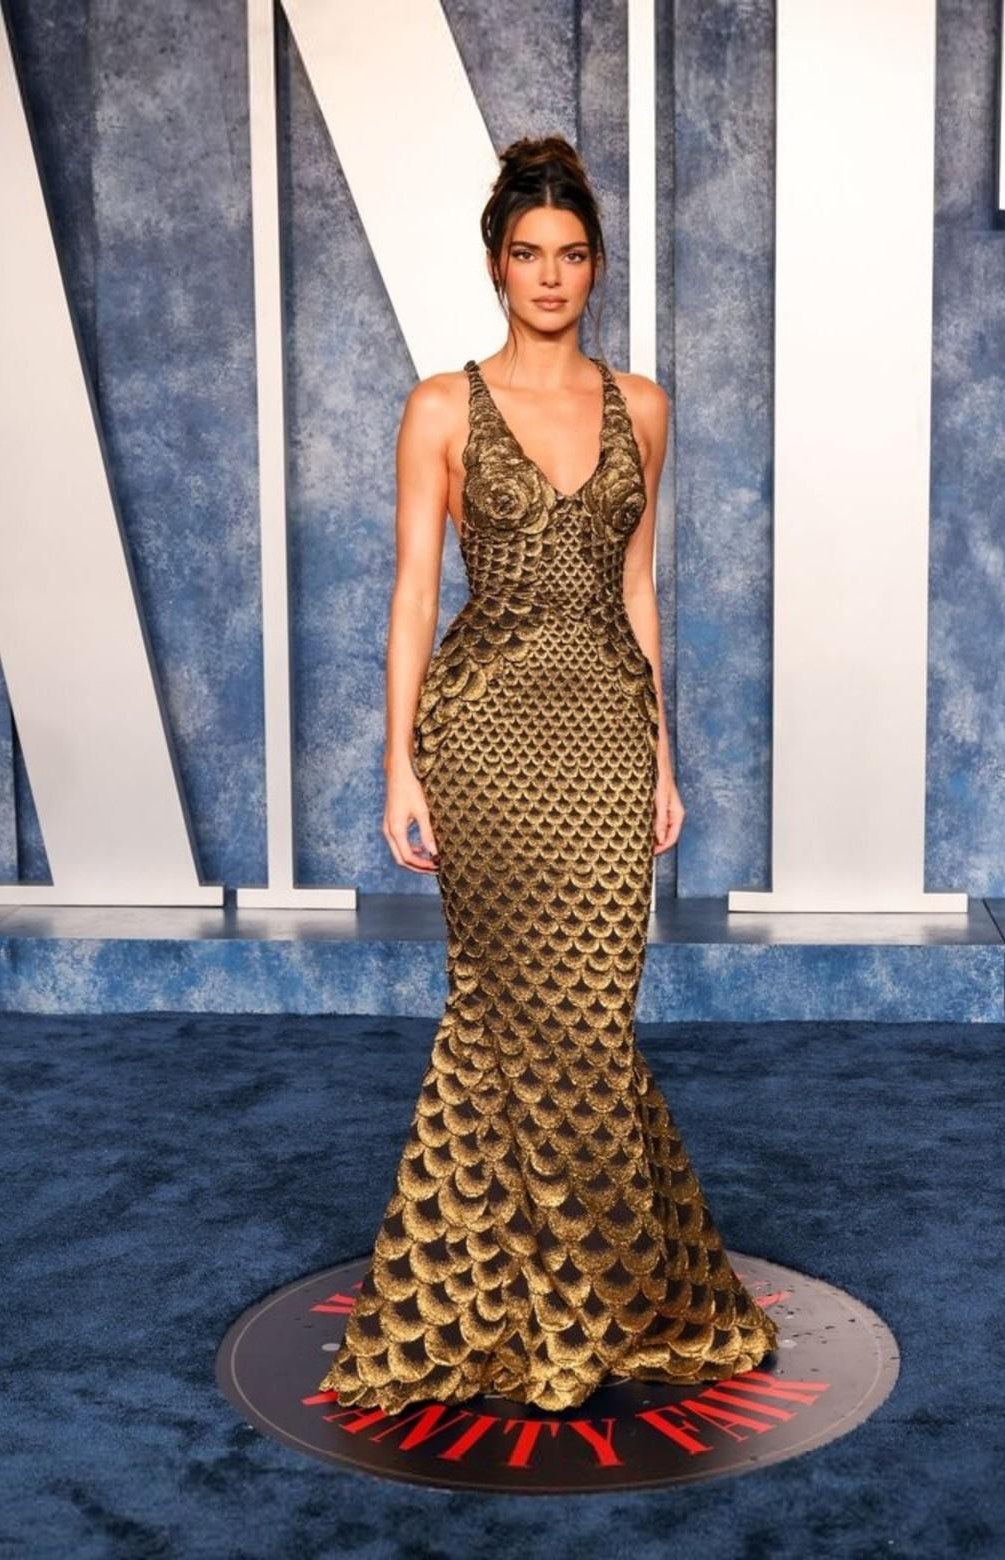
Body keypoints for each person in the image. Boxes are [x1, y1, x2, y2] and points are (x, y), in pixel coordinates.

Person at [319, 135, 778, 1414]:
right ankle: (543, 1305)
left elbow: (636, 589)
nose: (551, 276)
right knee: (507, 1011)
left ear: (596, 266)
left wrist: (663, 757)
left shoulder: (645, 408)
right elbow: (416, 596)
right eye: (529, 254)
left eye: (572, 255)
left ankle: (555, 1294)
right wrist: (398, 763)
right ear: (496, 265)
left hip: (605, 745)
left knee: (584, 1025)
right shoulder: (441, 407)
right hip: (484, 744)